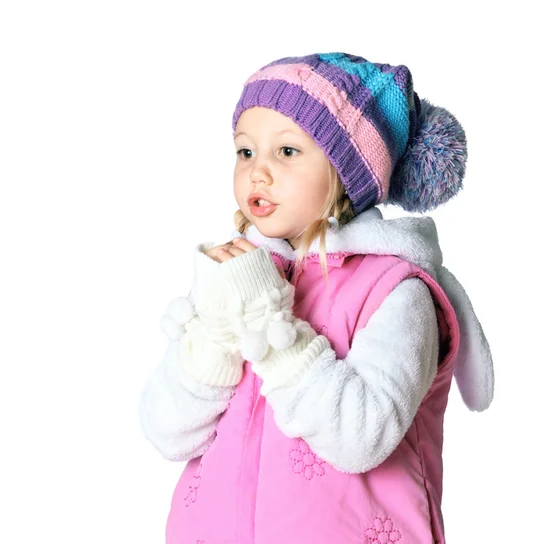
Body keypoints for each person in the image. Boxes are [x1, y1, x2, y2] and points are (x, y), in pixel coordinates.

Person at [139, 51, 495, 544]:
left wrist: (269, 321)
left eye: (286, 152)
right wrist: (219, 329)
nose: (257, 173)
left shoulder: (396, 292)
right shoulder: (245, 274)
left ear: (347, 172)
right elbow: (168, 431)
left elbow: (360, 436)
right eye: (246, 152)